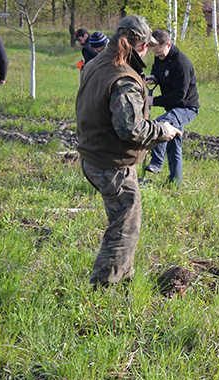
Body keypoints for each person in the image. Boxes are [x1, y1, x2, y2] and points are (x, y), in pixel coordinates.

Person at [76, 15, 182, 288]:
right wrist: (163, 131)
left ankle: (124, 282)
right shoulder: (123, 76)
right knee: (124, 230)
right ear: (143, 46)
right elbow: (130, 129)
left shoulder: (96, 62)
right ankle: (100, 291)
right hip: (111, 163)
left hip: (95, 156)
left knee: (126, 222)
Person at [143, 29, 199, 185]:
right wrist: (154, 77)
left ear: (168, 44)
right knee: (174, 148)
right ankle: (175, 183)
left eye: (159, 53)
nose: (157, 56)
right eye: (154, 53)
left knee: (162, 124)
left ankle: (156, 162)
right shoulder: (160, 57)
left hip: (186, 108)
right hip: (173, 109)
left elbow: (178, 96)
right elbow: (158, 70)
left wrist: (153, 101)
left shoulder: (182, 64)